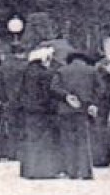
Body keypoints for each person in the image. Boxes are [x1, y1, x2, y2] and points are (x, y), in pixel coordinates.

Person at [17, 45, 64, 179]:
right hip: (43, 111)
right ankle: (44, 171)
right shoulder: (45, 74)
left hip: (28, 110)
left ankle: (28, 170)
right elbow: (49, 93)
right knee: (45, 140)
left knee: (31, 139)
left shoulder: (25, 72)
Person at [52, 49, 99, 179]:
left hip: (65, 109)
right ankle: (85, 172)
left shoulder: (61, 71)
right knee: (84, 141)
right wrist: (93, 103)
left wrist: (67, 96)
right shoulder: (91, 71)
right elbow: (101, 89)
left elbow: (54, 88)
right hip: (84, 109)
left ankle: (71, 171)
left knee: (68, 140)